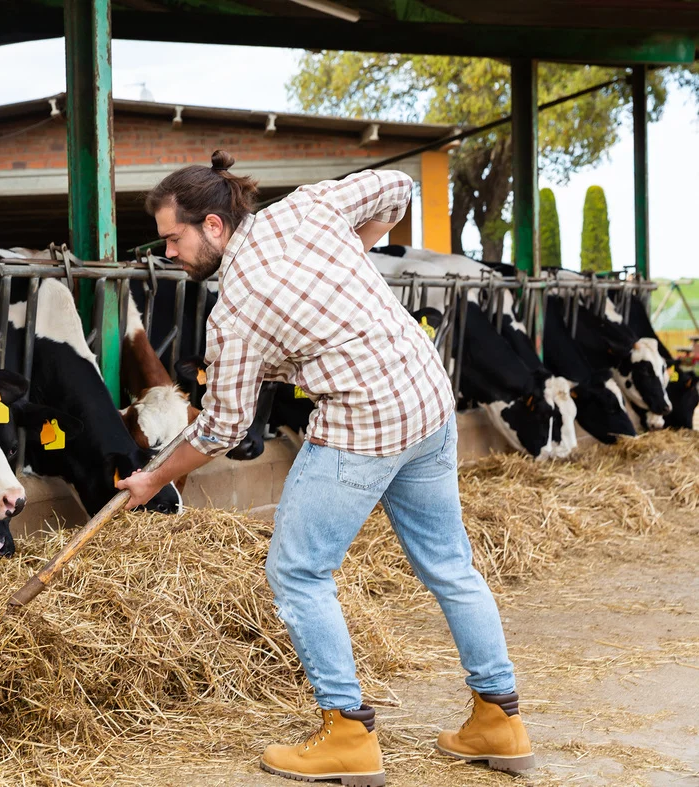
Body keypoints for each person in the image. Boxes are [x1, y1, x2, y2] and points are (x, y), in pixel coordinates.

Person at [116, 151, 535, 786]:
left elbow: (226, 425)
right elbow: (396, 186)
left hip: (364, 422)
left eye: (174, 239)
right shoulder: (310, 209)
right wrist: (356, 251)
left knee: (299, 571)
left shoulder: (234, 312)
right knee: (450, 564)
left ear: (214, 226)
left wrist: (154, 477)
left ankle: (347, 733)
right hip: (426, 397)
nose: (170, 253)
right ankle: (499, 719)